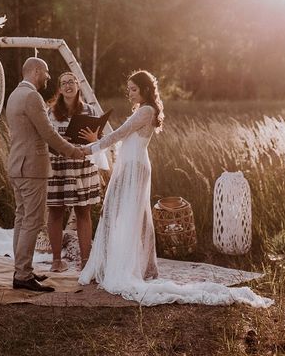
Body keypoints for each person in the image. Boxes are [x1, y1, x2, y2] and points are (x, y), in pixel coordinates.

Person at [78, 71, 272, 307]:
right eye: (128, 89)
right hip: (131, 165)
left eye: (133, 89)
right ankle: (126, 262)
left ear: (145, 90)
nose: (129, 93)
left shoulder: (146, 111)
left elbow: (119, 134)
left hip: (135, 168)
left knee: (126, 215)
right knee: (122, 214)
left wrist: (91, 147)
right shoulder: (142, 110)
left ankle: (127, 266)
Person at [5, 57, 86, 292]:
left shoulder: (14, 95)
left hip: (18, 166)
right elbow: (48, 133)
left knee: (22, 219)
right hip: (31, 168)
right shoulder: (32, 96)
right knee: (32, 221)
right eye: (47, 72)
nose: (48, 77)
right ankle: (22, 274)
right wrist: (73, 151)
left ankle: (22, 270)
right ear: (36, 70)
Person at [45, 71, 100, 272]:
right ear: (59, 89)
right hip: (57, 167)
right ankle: (56, 261)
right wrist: (59, 144)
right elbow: (43, 141)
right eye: (64, 83)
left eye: (72, 81)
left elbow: (99, 142)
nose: (68, 85)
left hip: (82, 166)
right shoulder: (50, 112)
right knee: (55, 211)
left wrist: (94, 139)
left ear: (78, 85)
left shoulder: (90, 111)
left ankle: (86, 262)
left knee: (83, 211)